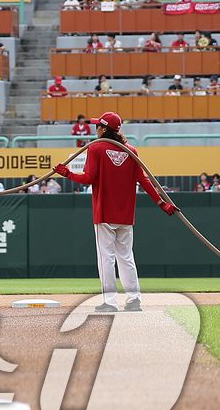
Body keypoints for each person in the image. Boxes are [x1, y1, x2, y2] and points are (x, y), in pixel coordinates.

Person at [53, 112, 175, 312]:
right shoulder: (131, 150)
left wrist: (66, 173)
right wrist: (161, 203)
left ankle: (109, 301)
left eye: (97, 127)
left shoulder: (96, 147)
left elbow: (88, 178)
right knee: (126, 257)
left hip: (104, 212)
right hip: (125, 214)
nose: (95, 130)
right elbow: (143, 180)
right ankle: (134, 299)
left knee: (106, 257)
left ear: (103, 129)